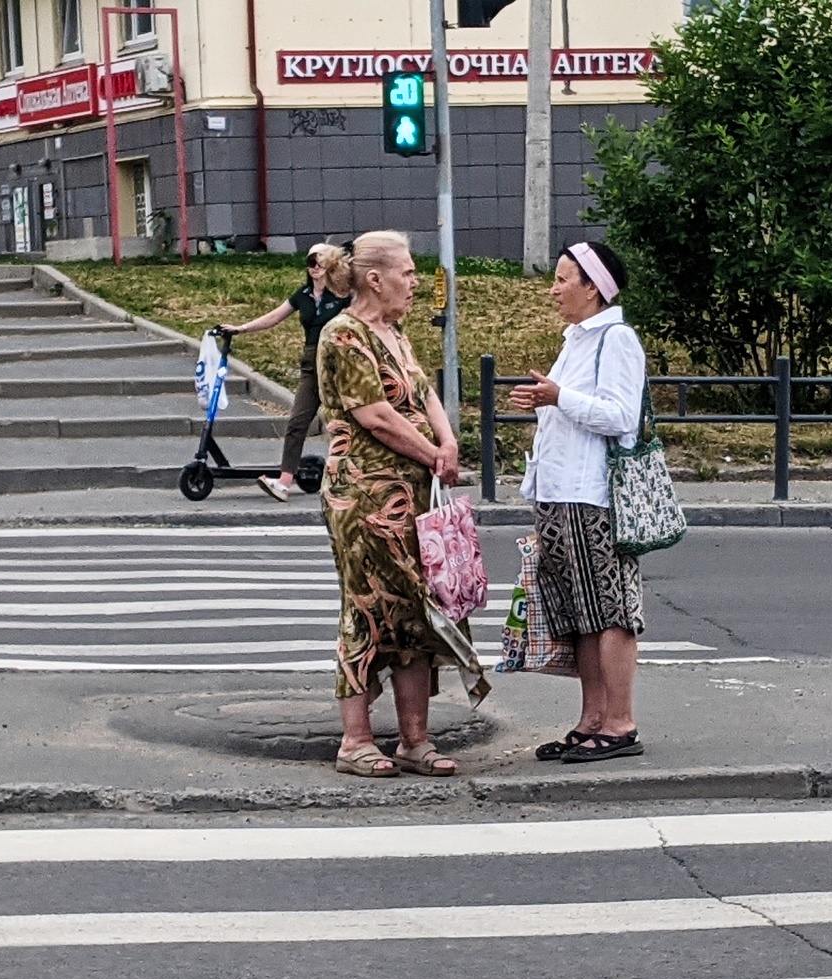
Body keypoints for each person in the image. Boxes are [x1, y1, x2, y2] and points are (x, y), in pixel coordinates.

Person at [314, 230, 490, 778]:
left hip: (411, 497)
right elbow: (375, 416)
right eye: (407, 272)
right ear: (374, 278)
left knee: (417, 612)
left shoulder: (393, 331)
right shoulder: (343, 335)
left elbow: (424, 392)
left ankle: (415, 739)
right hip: (364, 497)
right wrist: (434, 453)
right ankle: (355, 740)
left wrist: (448, 442)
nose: (415, 281)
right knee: (368, 607)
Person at [509, 240, 647, 763]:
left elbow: (618, 417)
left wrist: (558, 397)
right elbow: (571, 411)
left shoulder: (616, 339)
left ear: (593, 287)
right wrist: (546, 401)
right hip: (557, 494)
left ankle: (619, 722)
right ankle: (591, 720)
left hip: (594, 497)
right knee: (579, 614)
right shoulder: (577, 339)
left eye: (564, 279)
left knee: (610, 611)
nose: (554, 288)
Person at [222, 241, 350, 502]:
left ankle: (351, 478)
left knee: (347, 421)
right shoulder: (302, 295)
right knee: (297, 422)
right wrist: (242, 328)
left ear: (332, 263)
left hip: (339, 363)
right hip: (311, 364)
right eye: (310, 261)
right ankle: (285, 481)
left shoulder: (343, 294)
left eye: (320, 260)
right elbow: (274, 316)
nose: (315, 266)